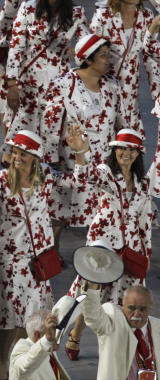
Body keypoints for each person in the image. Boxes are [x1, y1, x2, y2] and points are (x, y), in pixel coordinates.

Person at [0, 129, 80, 380]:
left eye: (23, 154)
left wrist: (80, 151)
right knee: (11, 312)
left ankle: (23, 355)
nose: (17, 157)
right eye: (15, 152)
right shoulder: (0, 179)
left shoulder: (45, 176)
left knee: (34, 312)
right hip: (11, 256)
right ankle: (3, 359)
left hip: (39, 256)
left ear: (34, 157)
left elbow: (77, 182)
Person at [64, 130, 154, 362]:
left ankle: (118, 344)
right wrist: (79, 152)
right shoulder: (106, 173)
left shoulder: (143, 184)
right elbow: (86, 176)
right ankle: (75, 332)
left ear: (138, 154)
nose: (127, 153)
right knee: (90, 292)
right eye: (122, 148)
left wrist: (146, 253)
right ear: (115, 151)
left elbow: (145, 221)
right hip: (104, 243)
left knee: (125, 297)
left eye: (132, 149)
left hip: (131, 247)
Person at [42, 34, 125, 229]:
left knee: (106, 212)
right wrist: (50, 160)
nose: (109, 59)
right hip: (72, 160)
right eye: (104, 55)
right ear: (88, 59)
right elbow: (50, 127)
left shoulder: (113, 85)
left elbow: (122, 123)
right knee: (60, 211)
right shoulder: (63, 85)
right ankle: (50, 256)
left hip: (105, 161)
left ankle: (100, 256)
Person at [5, 0, 87, 134]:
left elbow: (87, 47)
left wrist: (76, 55)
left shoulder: (77, 14)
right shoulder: (28, 8)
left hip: (58, 84)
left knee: (52, 136)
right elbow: (16, 47)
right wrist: (12, 84)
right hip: (28, 82)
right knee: (22, 135)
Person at [91, 0, 160, 135]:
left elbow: (150, 57)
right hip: (103, 84)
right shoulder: (103, 16)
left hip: (129, 87)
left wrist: (157, 95)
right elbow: (90, 53)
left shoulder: (146, 16)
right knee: (102, 133)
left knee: (128, 135)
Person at [80, 283, 160, 380]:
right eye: (131, 308)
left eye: (143, 309)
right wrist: (92, 289)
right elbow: (93, 316)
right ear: (123, 305)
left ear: (150, 308)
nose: (137, 314)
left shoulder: (157, 328)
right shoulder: (112, 325)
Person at [1, 310, 72, 380]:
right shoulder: (22, 349)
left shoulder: (50, 352)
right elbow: (27, 364)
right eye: (53, 332)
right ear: (38, 335)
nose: (58, 335)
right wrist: (47, 340)